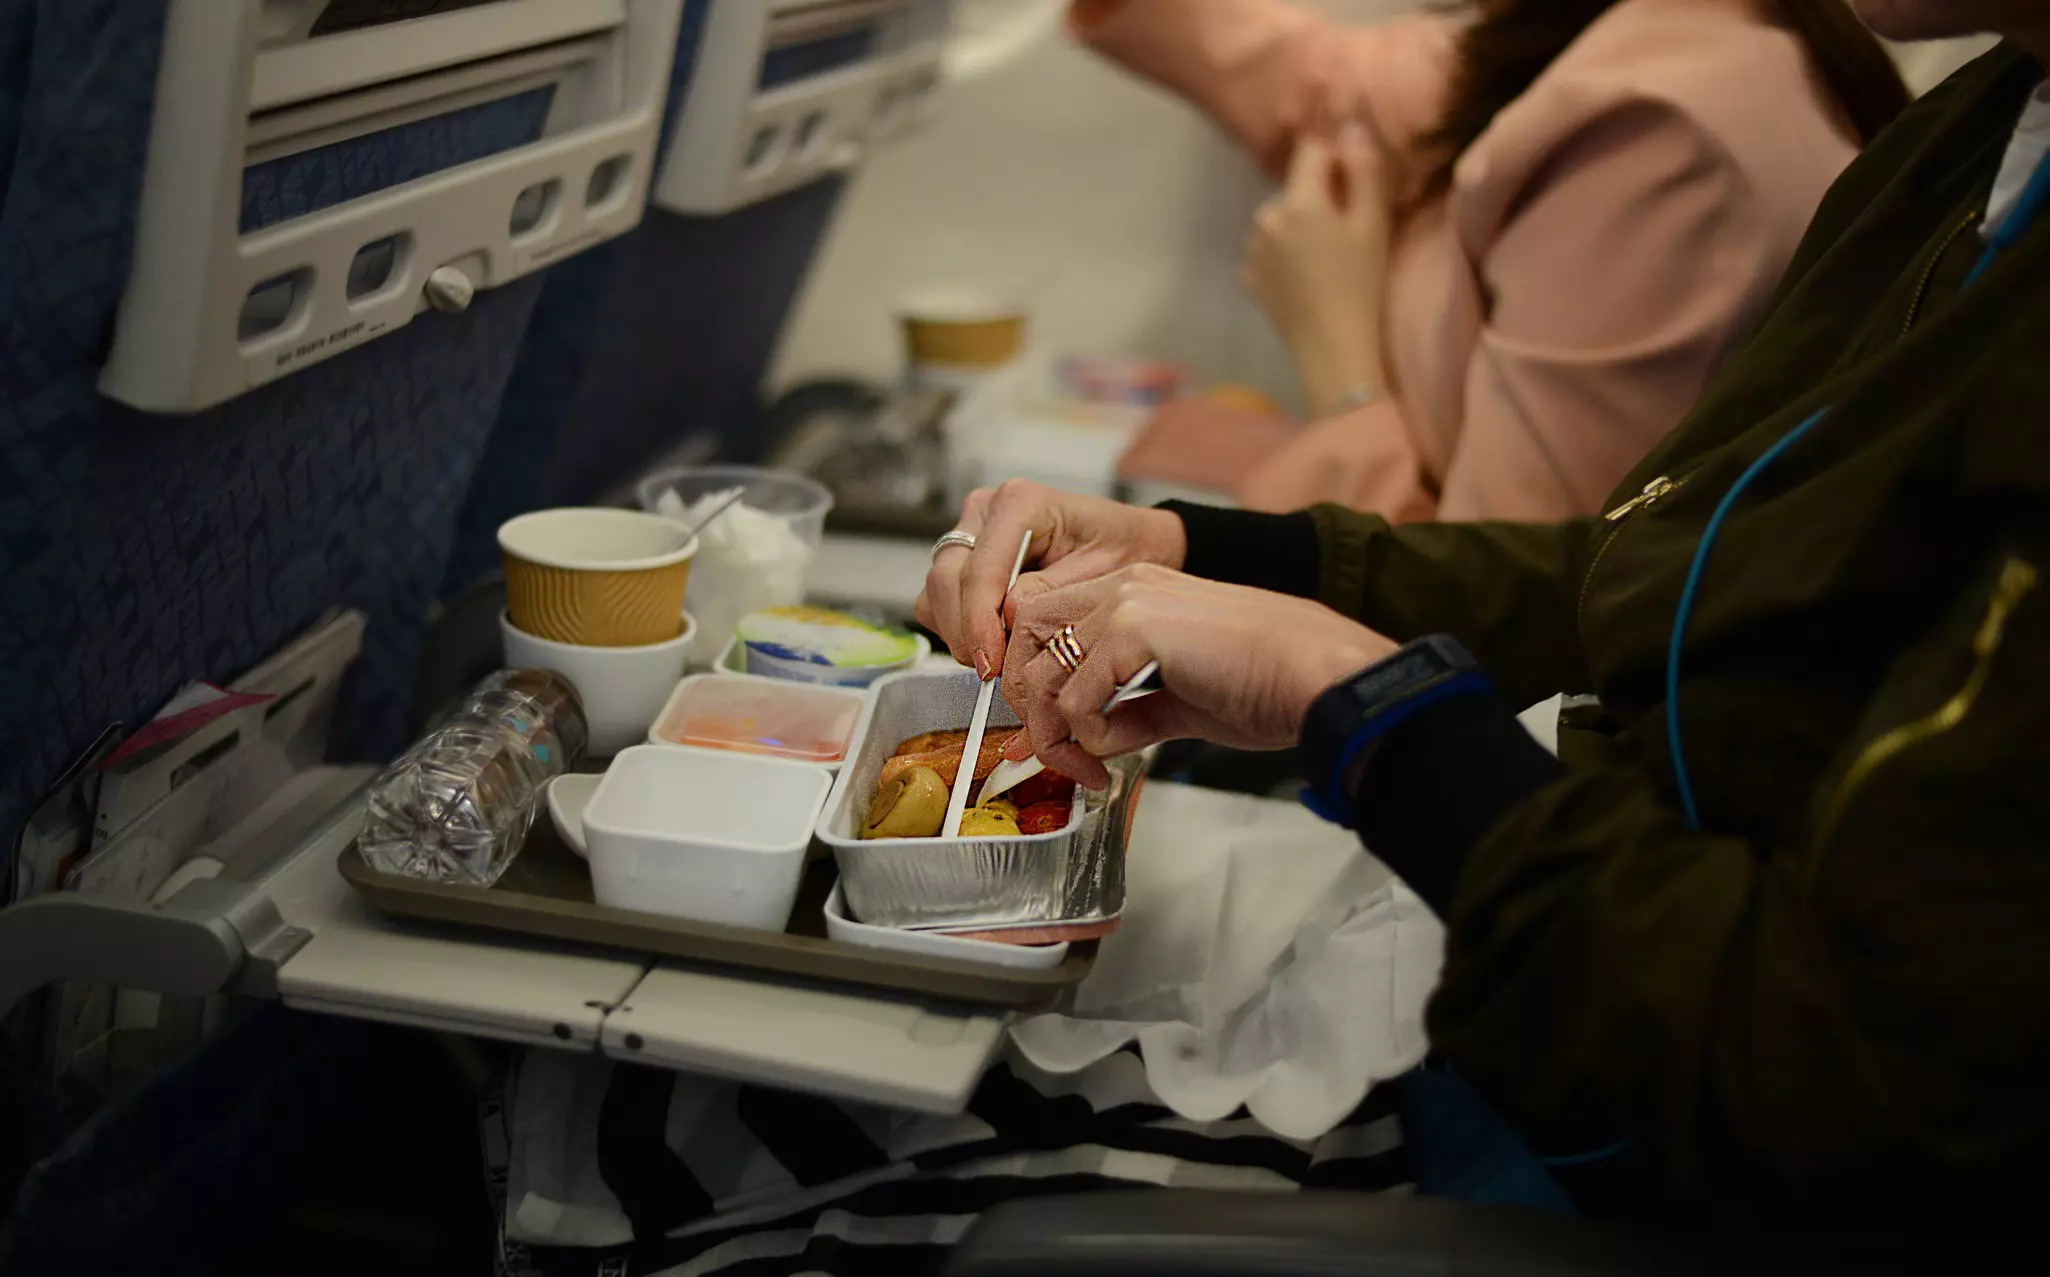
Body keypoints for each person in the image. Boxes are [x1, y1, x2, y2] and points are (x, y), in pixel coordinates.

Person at [919, 8, 2050, 1260]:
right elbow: (1657, 571)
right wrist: (1219, 552)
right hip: (1541, 972)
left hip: (1629, 1132)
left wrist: (1347, 688)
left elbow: (1843, 1092)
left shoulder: (1666, 107)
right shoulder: (1986, 121)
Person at [1092, 0, 1910, 521]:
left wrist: (1333, 345)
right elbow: (1337, 87)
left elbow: (1490, 595)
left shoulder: (1654, 133)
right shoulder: (1579, 27)